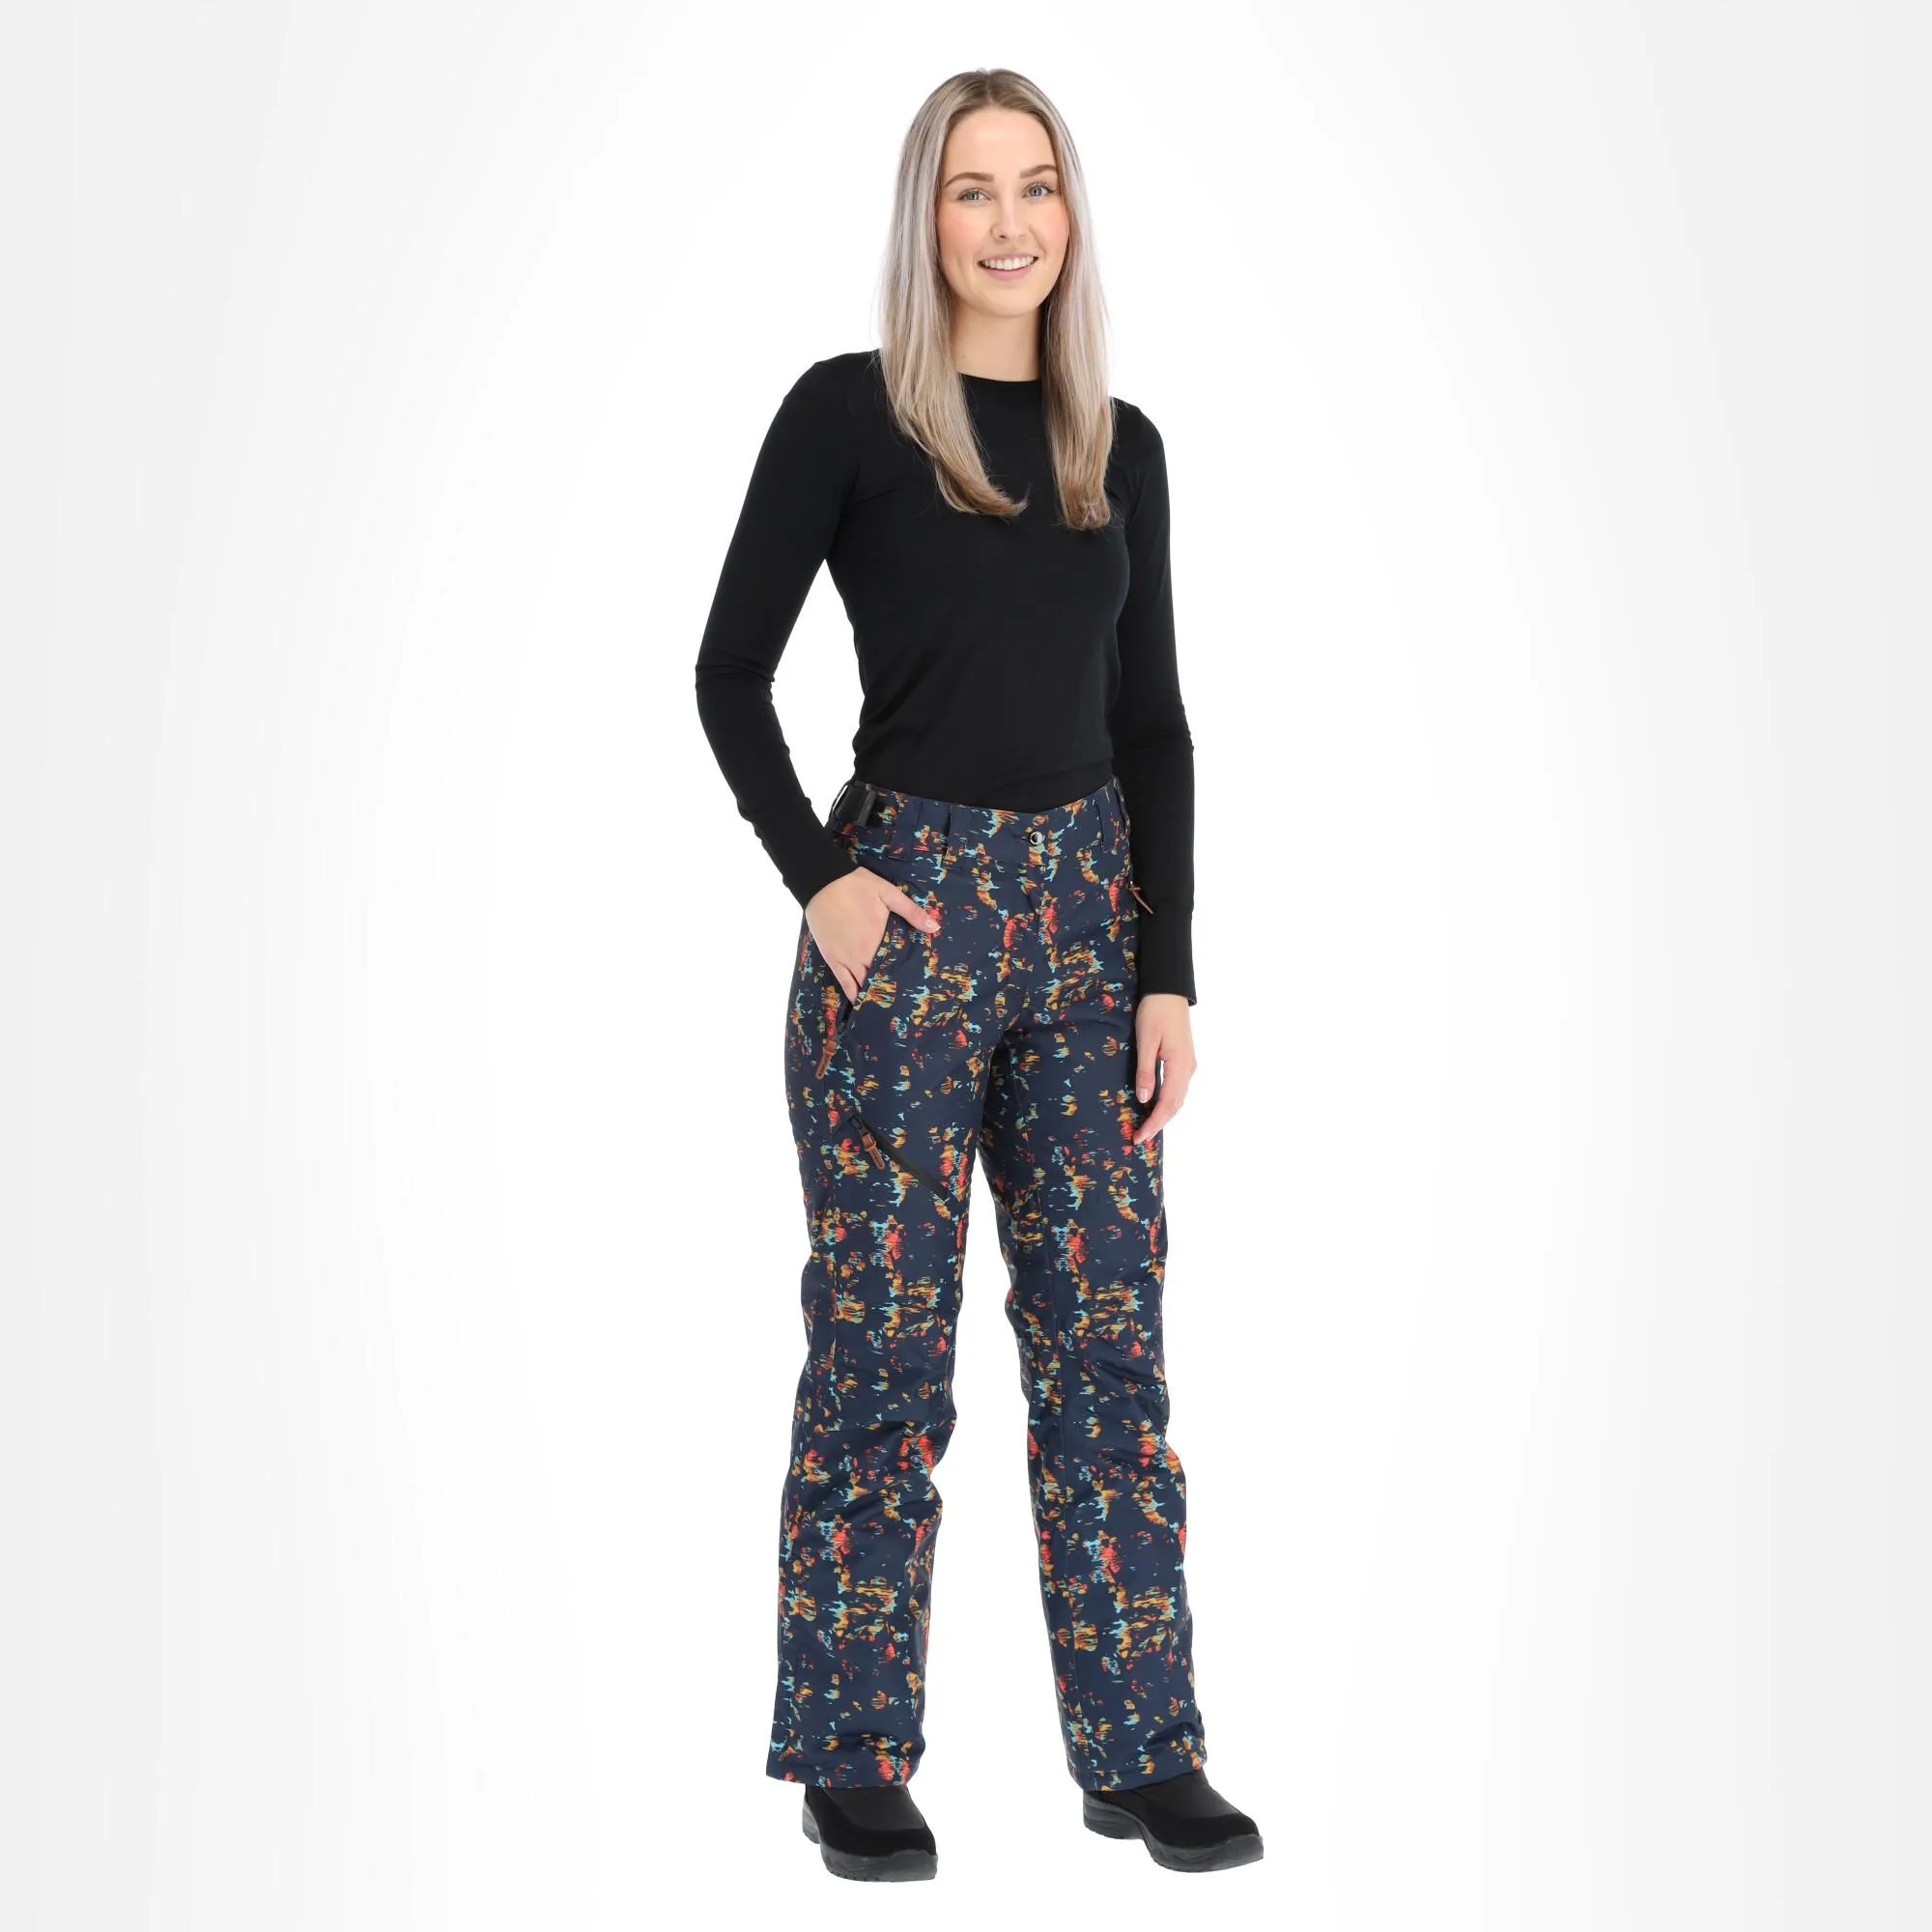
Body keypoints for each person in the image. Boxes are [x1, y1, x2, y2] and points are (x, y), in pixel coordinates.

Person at [694, 68, 1262, 1881]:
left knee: (1109, 1349)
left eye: (1037, 187)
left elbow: (1154, 725)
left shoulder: (1119, 445)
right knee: (882, 1348)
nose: (1009, 224)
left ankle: (1144, 1752)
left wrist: (1167, 972)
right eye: (970, 191)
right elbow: (726, 672)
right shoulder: (851, 416)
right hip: (911, 920)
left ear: (1070, 215)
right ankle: (851, 1752)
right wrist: (824, 882)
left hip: (1091, 926)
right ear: (924, 220)